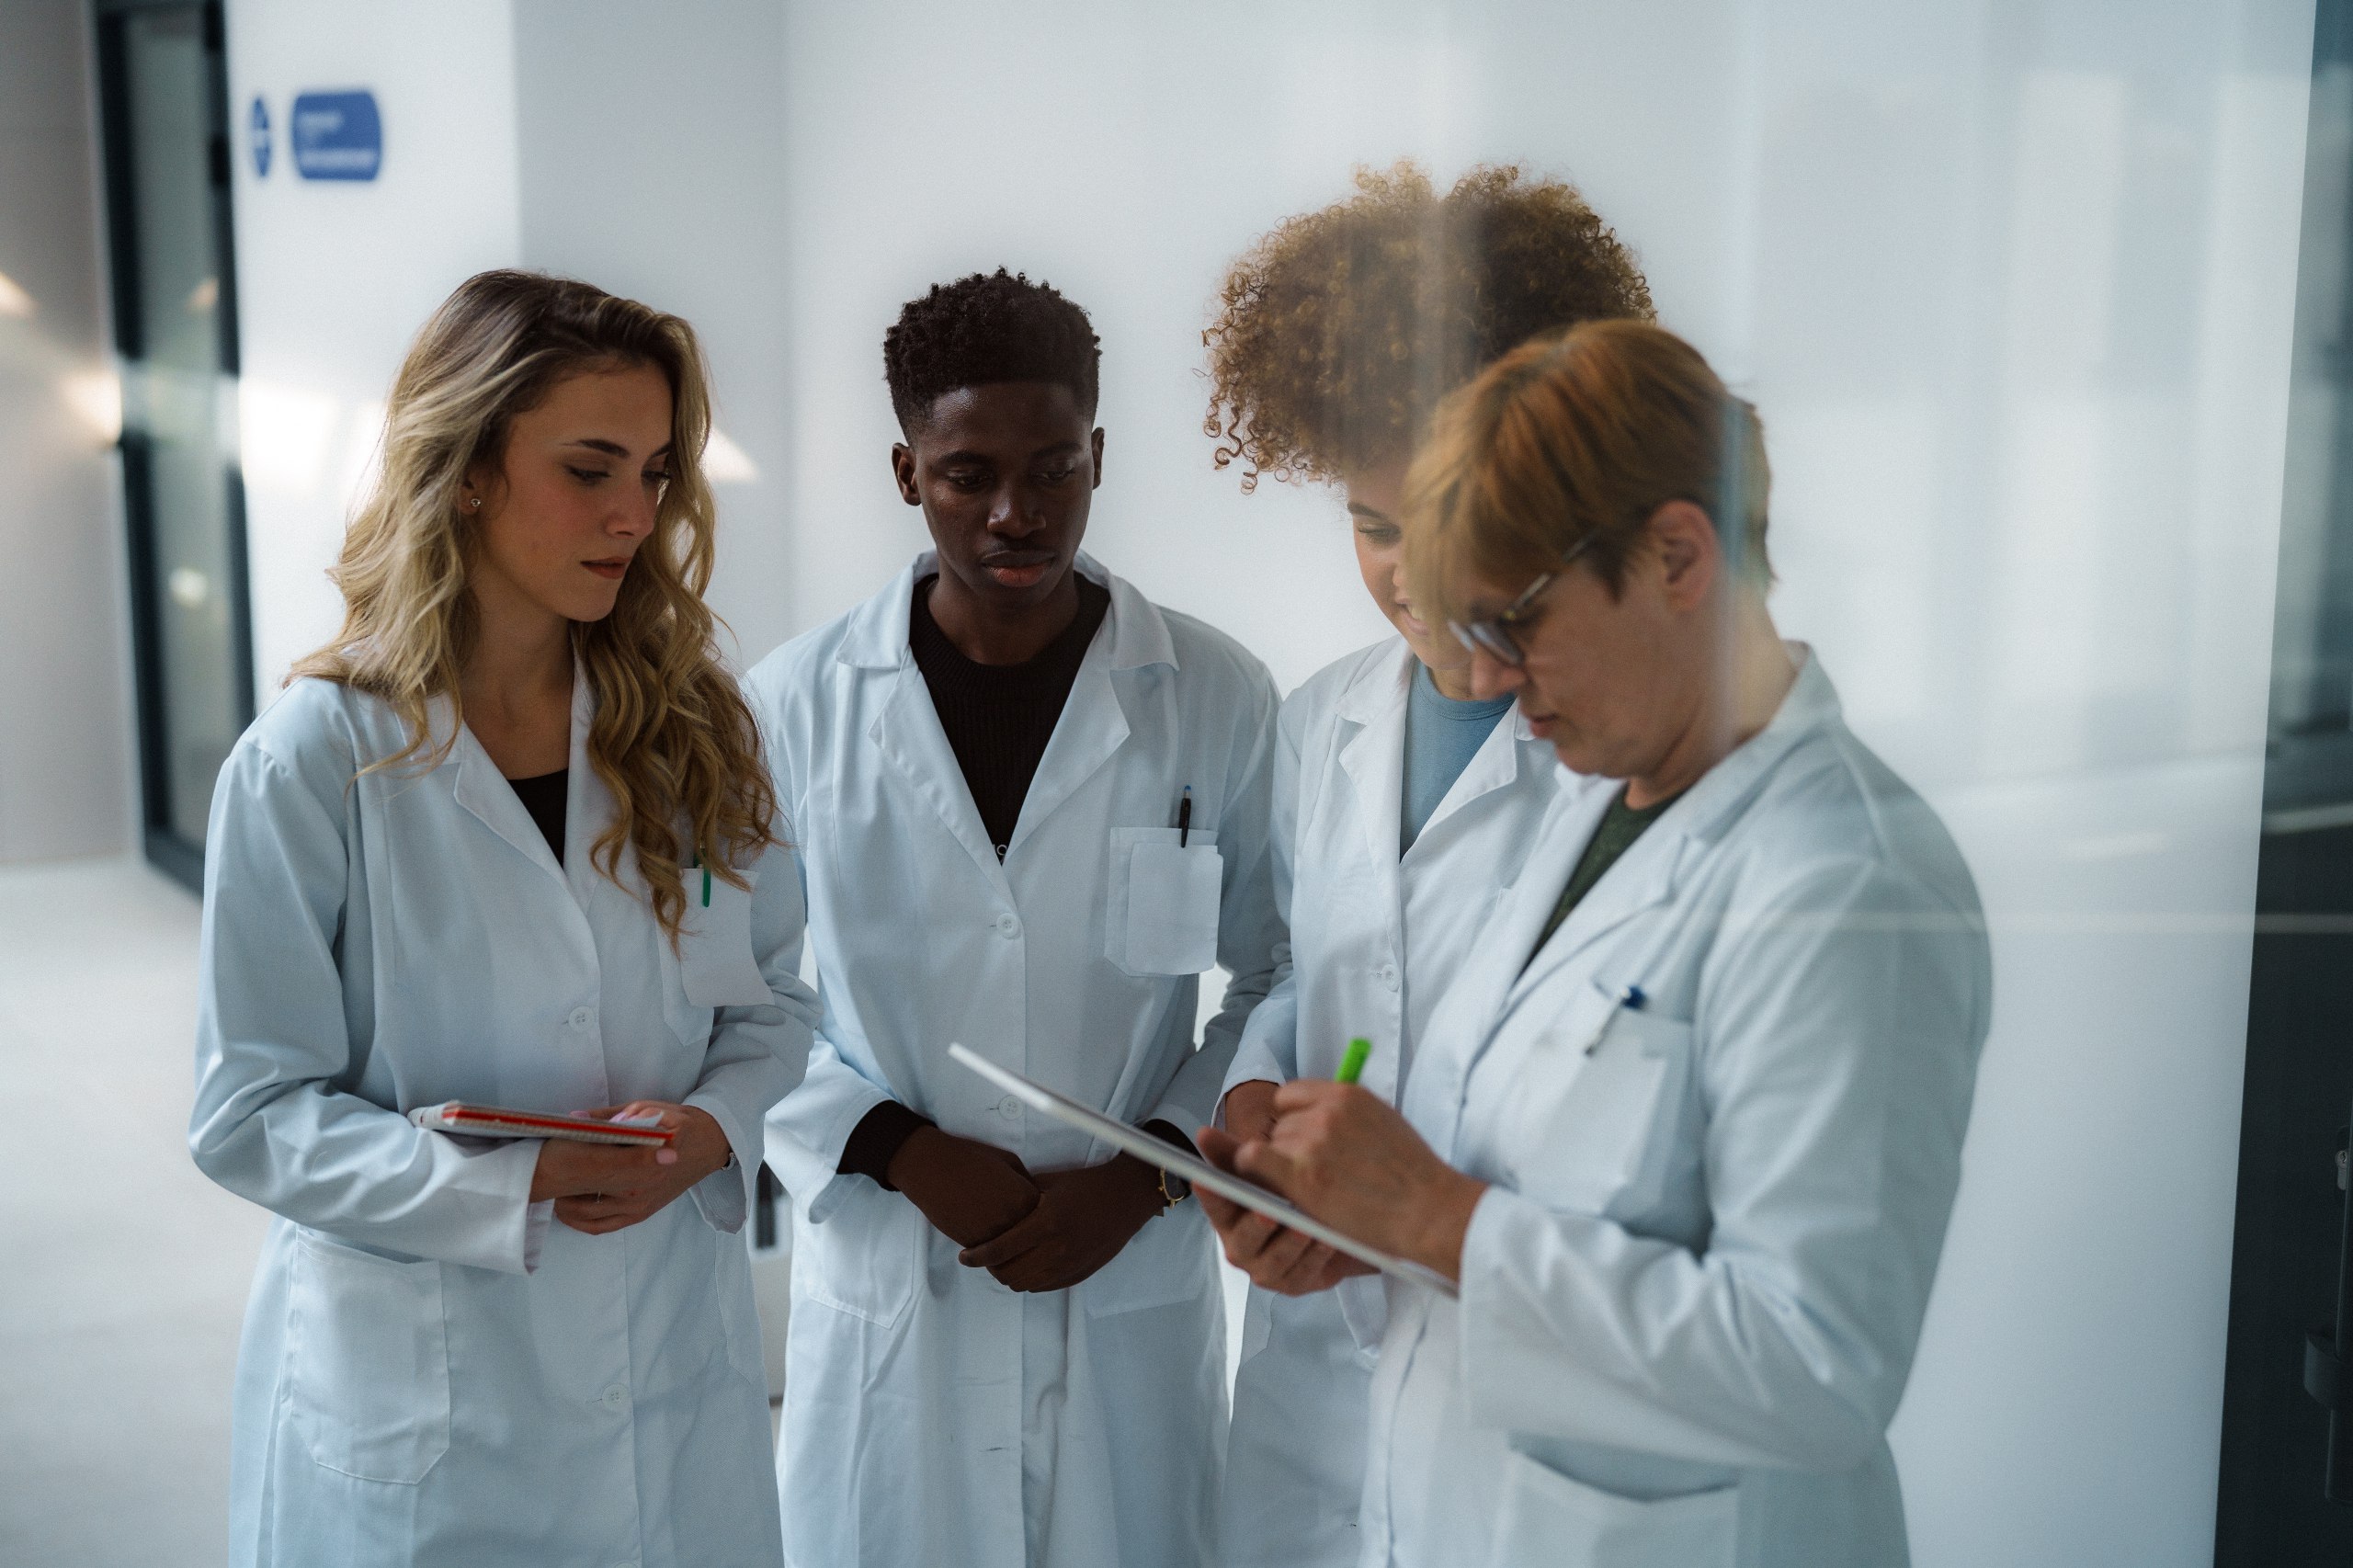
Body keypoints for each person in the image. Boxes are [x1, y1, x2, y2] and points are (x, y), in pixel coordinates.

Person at [1199, 319, 1993, 1568]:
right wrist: (1341, 1213)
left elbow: (1817, 1364)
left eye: (1518, 619)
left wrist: (1440, 1220)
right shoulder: (1589, 804)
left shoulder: (1845, 883)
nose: (1497, 674)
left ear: (1678, 553)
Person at [188, 271, 813, 1568]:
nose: (635, 515)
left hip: (669, 1365)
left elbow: (773, 1002)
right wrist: (505, 1181)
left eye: (654, 471)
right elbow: (248, 1114)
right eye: (590, 469)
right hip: (427, 1400)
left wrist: (717, 1128)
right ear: (467, 468)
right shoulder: (315, 760)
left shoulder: (695, 728)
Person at [746, 268, 1283, 1568]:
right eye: (965, 472)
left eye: (1053, 468)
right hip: (895, 1281)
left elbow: (1277, 975)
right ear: (903, 470)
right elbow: (736, 993)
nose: (1013, 512)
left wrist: (1153, 1165)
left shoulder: (1211, 691)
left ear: (1099, 453)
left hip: (1126, 1280)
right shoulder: (798, 703)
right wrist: (891, 1146)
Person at [1199, 161, 1654, 1568]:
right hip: (1310, 1399)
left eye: (1449, 518)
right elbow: (1304, 978)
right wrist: (1254, 1124)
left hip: (1526, 1416)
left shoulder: (1647, 753)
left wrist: (1422, 1205)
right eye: (1370, 524)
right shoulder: (1322, 716)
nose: (1407, 575)